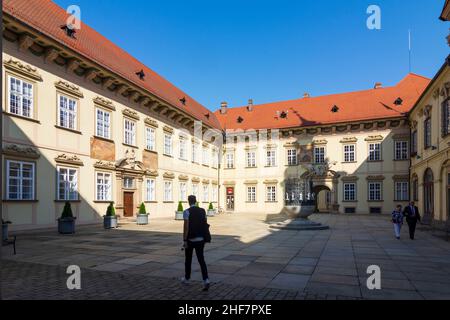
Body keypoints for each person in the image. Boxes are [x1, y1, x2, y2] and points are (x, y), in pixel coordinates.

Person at [181, 195, 210, 291]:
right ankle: (206, 279)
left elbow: (186, 227)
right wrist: (205, 238)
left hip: (190, 239)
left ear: (189, 202)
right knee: (201, 260)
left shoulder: (186, 212)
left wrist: (184, 240)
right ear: (196, 201)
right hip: (201, 239)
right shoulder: (202, 210)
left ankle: (187, 278)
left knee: (188, 260)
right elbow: (205, 224)